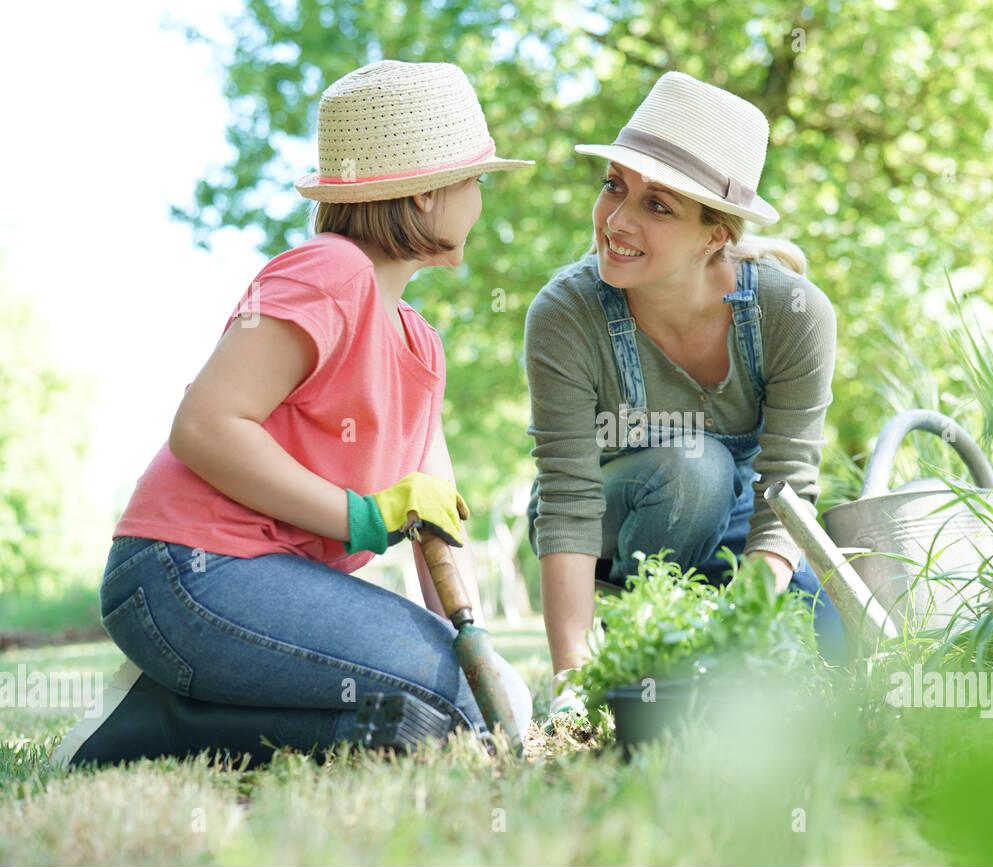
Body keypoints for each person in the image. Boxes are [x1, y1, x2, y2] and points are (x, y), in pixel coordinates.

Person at [51, 60, 534, 771]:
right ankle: (166, 722)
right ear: (429, 195)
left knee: (444, 720)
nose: (481, 201)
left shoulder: (421, 347)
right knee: (451, 702)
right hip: (187, 571)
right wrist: (365, 516)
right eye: (477, 182)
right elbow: (206, 425)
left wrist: (481, 659)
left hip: (260, 585)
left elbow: (436, 527)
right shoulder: (330, 271)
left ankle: (167, 718)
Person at [524, 71, 844, 722]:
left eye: (658, 205)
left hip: (733, 529)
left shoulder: (795, 315)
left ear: (715, 234)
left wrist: (740, 631)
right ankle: (640, 658)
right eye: (615, 185)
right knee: (698, 469)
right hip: (611, 525)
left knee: (828, 652)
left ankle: (692, 650)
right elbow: (568, 500)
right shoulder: (566, 312)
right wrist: (573, 681)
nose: (616, 219)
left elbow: (785, 493)